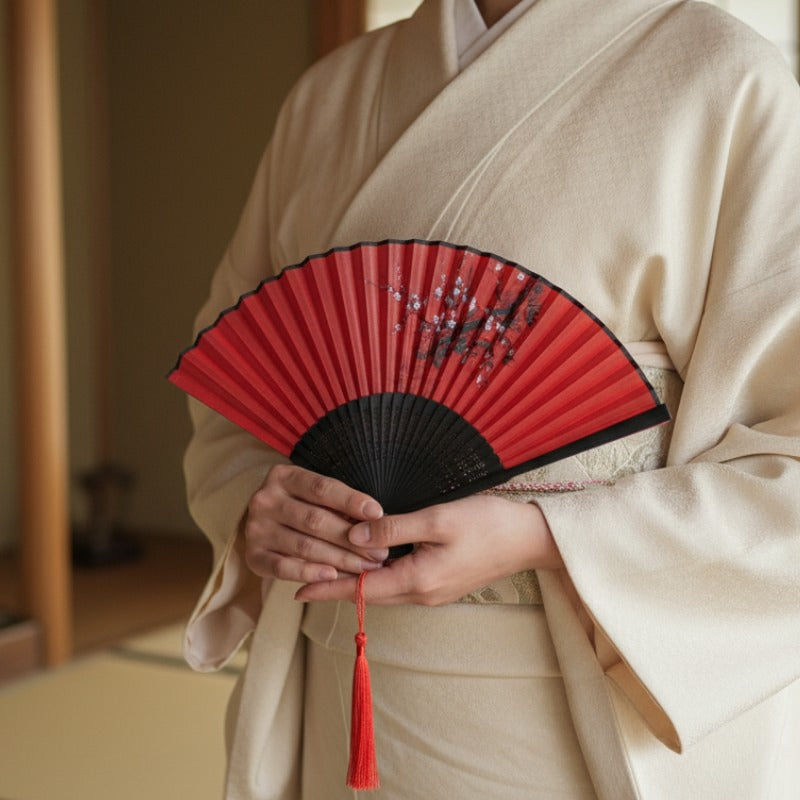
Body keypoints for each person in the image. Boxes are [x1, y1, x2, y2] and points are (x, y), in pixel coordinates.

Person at [181, 0, 800, 797]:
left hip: (566, 708)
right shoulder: (329, 97)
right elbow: (240, 380)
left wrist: (548, 534)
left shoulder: (724, 76)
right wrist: (253, 508)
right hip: (340, 668)